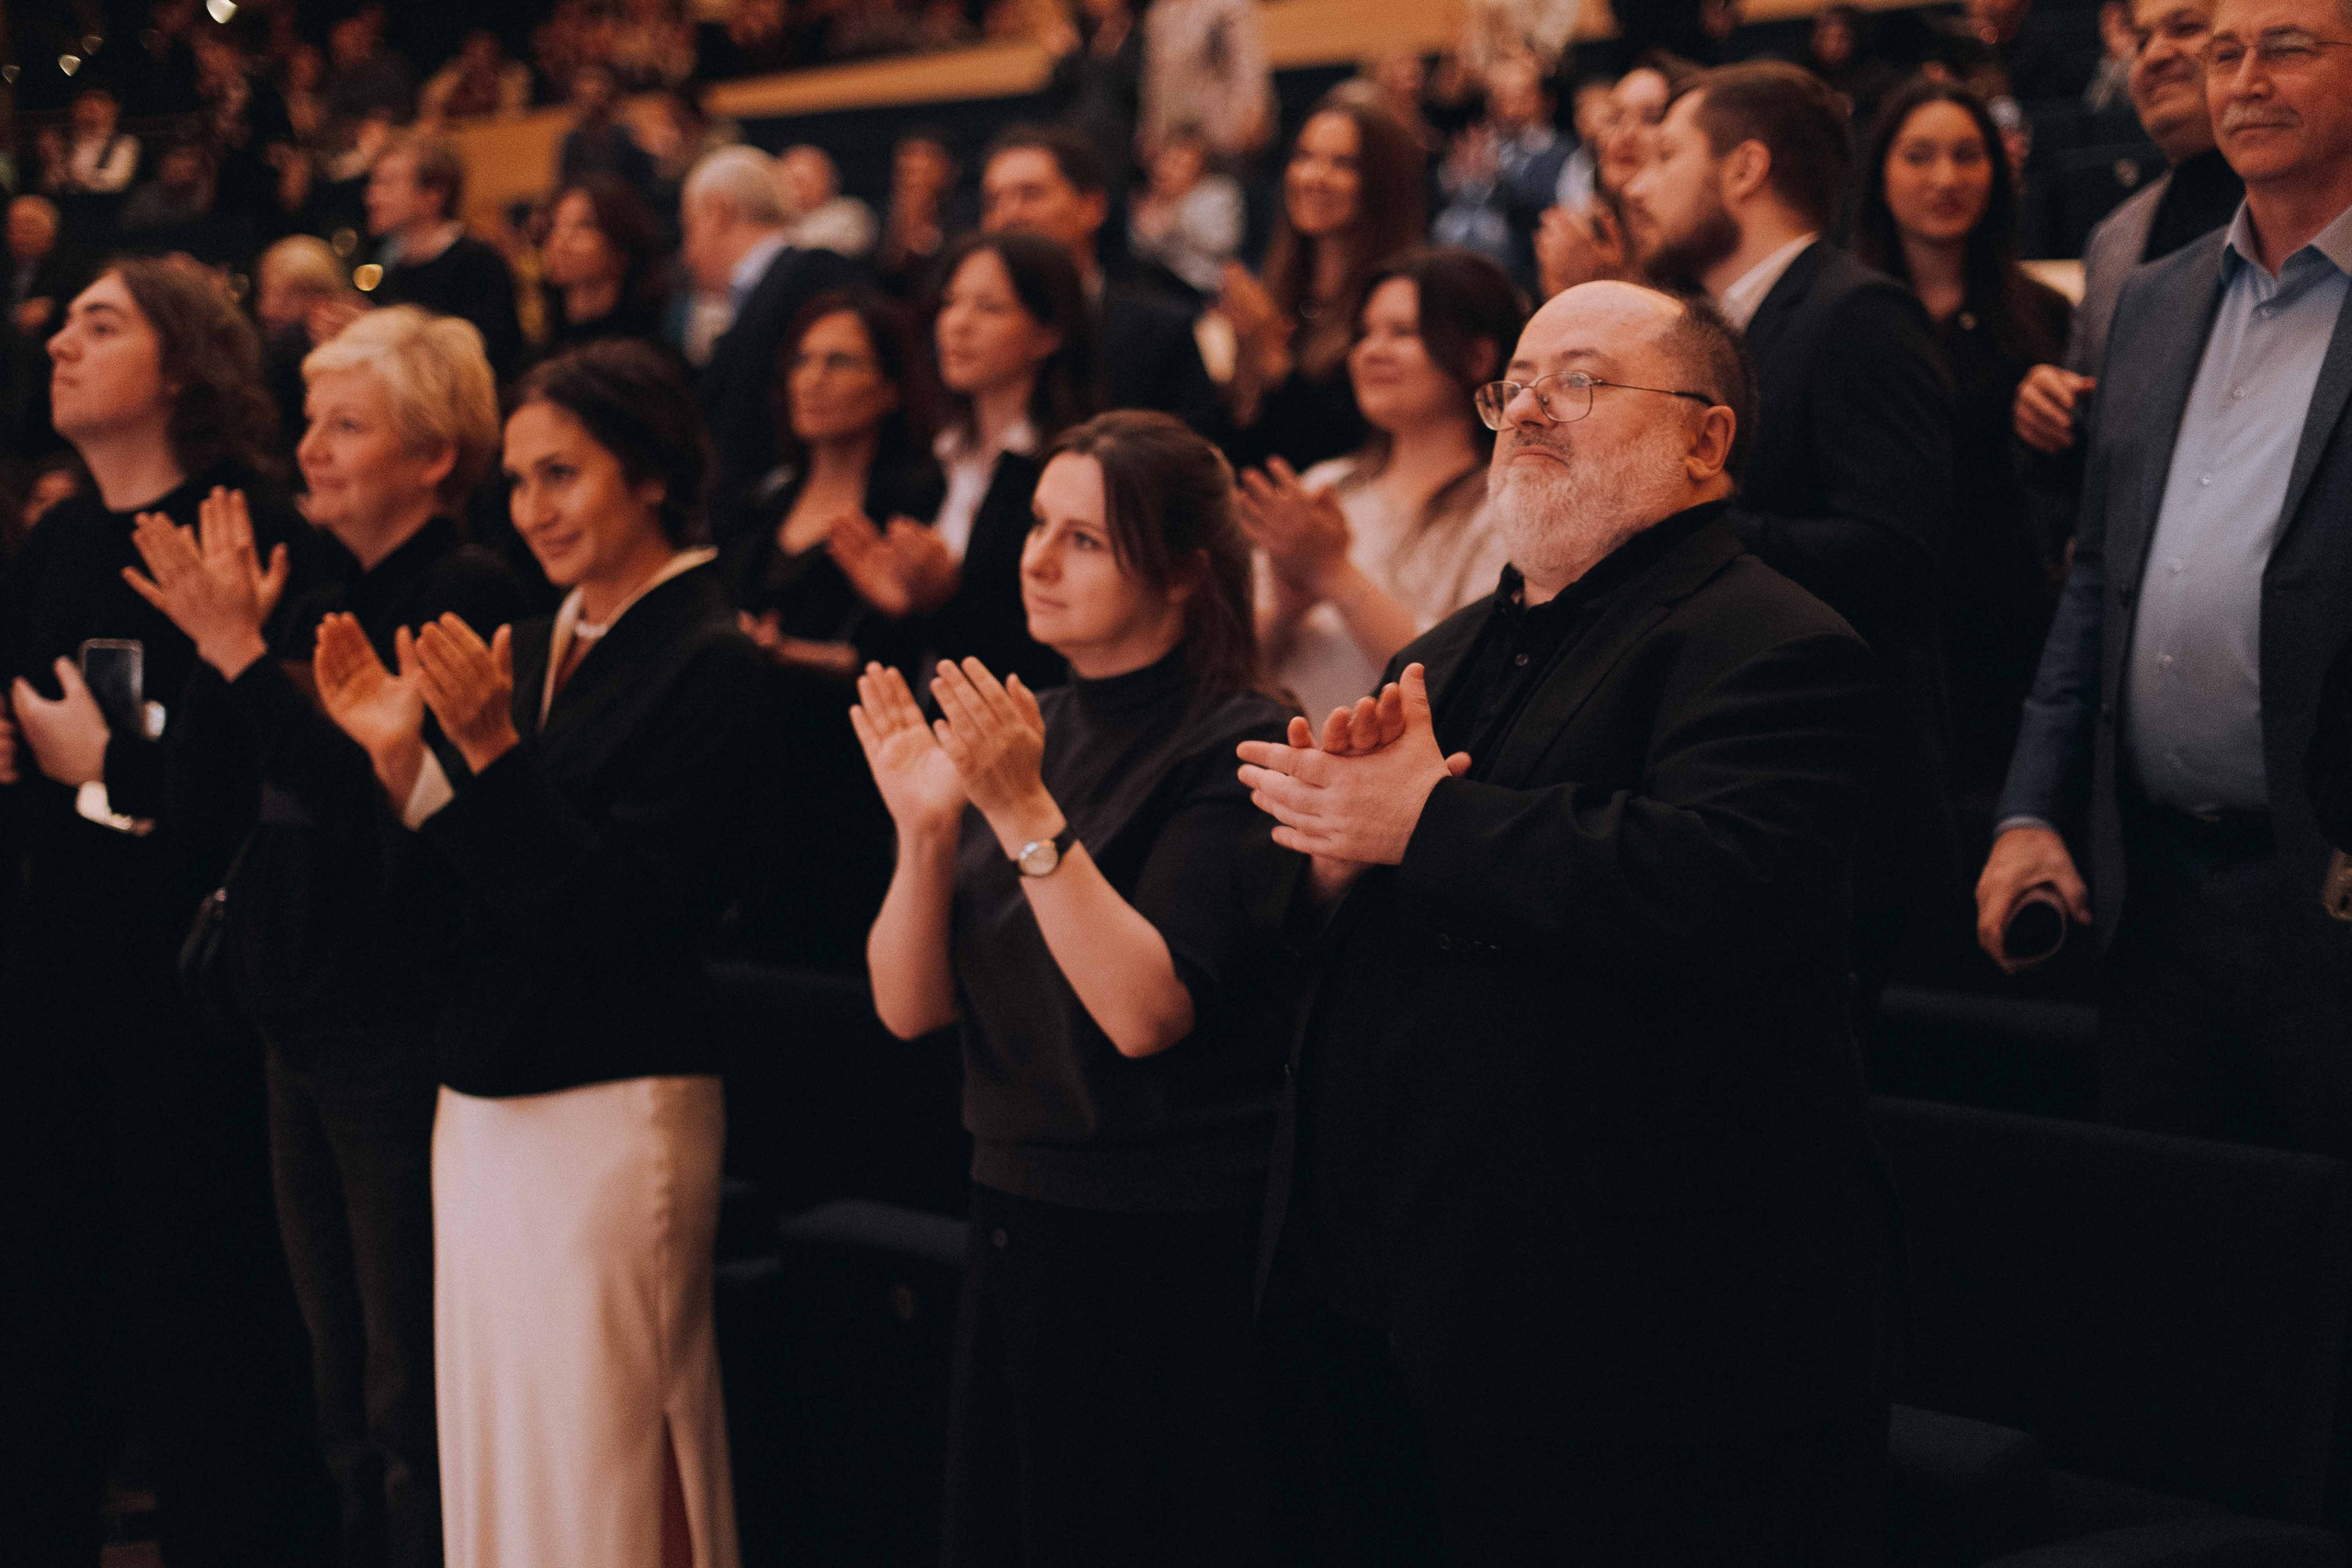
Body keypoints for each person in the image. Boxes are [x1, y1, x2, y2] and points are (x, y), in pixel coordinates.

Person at [1239, 280, 1890, 1564]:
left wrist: (1417, 820)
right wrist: (1329, 854)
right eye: (1516, 383)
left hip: (1629, 1320)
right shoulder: (1453, 642)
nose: (1529, 405)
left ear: (1707, 439)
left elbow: (1711, 880)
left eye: (1580, 380)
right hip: (1390, 1276)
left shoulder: (1778, 641)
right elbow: (1364, 883)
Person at [310, 340, 759, 1567]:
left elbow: (624, 917)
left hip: (616, 1100)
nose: (532, 510)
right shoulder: (527, 633)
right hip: (484, 1091)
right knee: (500, 1430)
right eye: (517, 481)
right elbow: (454, 900)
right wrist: (406, 768)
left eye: (562, 473)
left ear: (654, 474)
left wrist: (493, 758)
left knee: (615, 1433)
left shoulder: (711, 655)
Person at [854, 409, 1301, 1566]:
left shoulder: (1240, 742)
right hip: (1014, 1201)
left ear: (1185, 571)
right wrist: (920, 831)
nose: (1037, 559)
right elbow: (908, 1010)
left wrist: (1018, 813)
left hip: (1162, 1233)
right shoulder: (1029, 727)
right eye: (1038, 526)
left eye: (1086, 540)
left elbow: (1144, 1012)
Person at [120, 305, 525, 1568]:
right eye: (310, 421)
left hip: (390, 1022)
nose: (315, 446)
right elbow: (223, 793)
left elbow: (371, 812)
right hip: (298, 1017)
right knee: (336, 1379)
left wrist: (242, 648)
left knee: (405, 1383)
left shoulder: (465, 589)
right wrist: (228, 646)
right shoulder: (333, 588)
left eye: (350, 424)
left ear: (435, 454)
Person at [0, 255, 333, 1568]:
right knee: (42, 1308)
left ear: (182, 364)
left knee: (202, 1322)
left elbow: (263, 784)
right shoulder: (63, 536)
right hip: (55, 973)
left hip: (196, 993)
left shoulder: (246, 521)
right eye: (62, 323)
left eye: (100, 324)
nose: (60, 344)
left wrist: (108, 775)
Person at [1979, 0, 2352, 1156]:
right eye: (2223, 51)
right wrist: (2035, 807)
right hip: (2153, 895)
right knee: (2177, 1261)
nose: (2240, 78)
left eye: (2286, 46)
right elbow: (2097, 584)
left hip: (2325, 895)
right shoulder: (2152, 298)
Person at [1623, 61, 1958, 997]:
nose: (1636, 184)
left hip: (1846, 803)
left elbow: (1896, 554)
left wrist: (1689, 520)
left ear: (1743, 170)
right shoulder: (1708, 327)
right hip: (1729, 774)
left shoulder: (1859, 312)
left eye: (1663, 154)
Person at [1856, 79, 2071, 843]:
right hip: (1882, 625)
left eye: (1967, 155)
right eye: (1920, 156)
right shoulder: (1846, 314)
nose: (1946, 178)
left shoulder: (2041, 314)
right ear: (1880, 172)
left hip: (2005, 616)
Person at [719, 289, 943, 966]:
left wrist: (785, 653)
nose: (812, 379)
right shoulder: (760, 501)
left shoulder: (913, 502)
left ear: (890, 390)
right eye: (803, 360)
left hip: (850, 797)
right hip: (752, 788)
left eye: (839, 361)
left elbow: (906, 660)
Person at [1243, 247, 1521, 723]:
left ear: (1479, 356)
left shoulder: (1505, 505)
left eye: (1403, 332)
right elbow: (1236, 677)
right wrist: (1285, 614)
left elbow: (1467, 685)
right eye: (1365, 333)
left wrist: (1334, 575)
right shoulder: (1326, 485)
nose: (1371, 351)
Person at [838, 231, 1097, 693]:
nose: (956, 324)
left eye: (989, 307)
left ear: (1047, 334)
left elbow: (1058, 659)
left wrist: (945, 599)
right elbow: (900, 660)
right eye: (951, 302)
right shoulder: (928, 462)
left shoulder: (1071, 472)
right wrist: (896, 609)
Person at [2011, 0, 2241, 466]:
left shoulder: (2301, 207)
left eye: (2186, 27)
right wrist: (2050, 409)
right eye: (2141, 41)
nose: (2153, 56)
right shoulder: (2112, 239)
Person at [1221, 96, 1429, 472]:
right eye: (1304, 157)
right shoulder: (1278, 288)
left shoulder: (1404, 299)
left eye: (1343, 164)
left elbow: (1363, 444)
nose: (1314, 177)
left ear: (1382, 182)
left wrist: (1273, 360)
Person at [980, 123, 1224, 437]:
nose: (1008, 216)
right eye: (993, 201)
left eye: (1031, 194)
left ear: (1092, 207)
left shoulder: (1161, 333)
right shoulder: (962, 336)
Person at [681, 144, 858, 546]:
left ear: (718, 213)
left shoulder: (812, 275)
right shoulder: (772, 289)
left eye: (689, 228)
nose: (687, 256)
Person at [364, 133, 526, 378]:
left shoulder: (478, 263)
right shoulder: (387, 269)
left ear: (433, 195)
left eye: (388, 183)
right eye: (374, 183)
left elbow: (482, 359)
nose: (372, 197)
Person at [1431, 56, 1573, 294]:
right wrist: (1449, 179)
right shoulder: (1480, 144)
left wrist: (1499, 181)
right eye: (1500, 96)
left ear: (1545, 101)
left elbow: (1550, 214)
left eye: (1520, 95)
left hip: (1523, 279)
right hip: (1455, 276)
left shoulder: (1561, 153)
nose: (1510, 106)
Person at [540, 175, 673, 351]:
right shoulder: (539, 351)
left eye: (584, 226)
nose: (561, 242)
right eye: (555, 226)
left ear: (621, 246)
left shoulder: (646, 355)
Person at [1137, 0, 1275, 166]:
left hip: (1221, 135)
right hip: (1175, 140)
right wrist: (1152, 129)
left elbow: (1246, 64)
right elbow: (1155, 81)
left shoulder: (1229, 5)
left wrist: (1250, 112)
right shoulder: (1160, 14)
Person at [1128, 125, 1247, 298]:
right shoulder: (1154, 197)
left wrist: (1174, 221)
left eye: (1179, 163)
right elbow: (1140, 248)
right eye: (1167, 160)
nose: (1169, 170)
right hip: (1158, 288)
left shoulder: (1219, 193)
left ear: (1200, 168)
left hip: (1205, 291)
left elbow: (1223, 241)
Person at [779, 145, 879, 259]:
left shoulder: (850, 213)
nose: (795, 189)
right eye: (789, 180)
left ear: (829, 179)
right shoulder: (778, 216)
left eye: (801, 181)